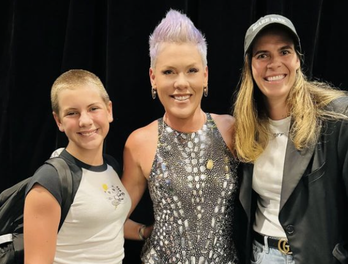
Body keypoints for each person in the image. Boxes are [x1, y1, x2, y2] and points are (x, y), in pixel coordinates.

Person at [232, 14, 348, 264]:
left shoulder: (341, 116)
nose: (274, 63)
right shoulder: (246, 127)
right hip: (260, 255)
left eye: (284, 51)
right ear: (249, 66)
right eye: (262, 55)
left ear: (298, 60)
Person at [121, 9, 239, 264]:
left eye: (192, 71)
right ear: (153, 78)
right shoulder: (140, 142)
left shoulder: (232, 130)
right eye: (169, 72)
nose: (181, 83)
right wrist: (143, 232)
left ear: (205, 75)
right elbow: (111, 218)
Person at [23, 69, 133, 264]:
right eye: (72, 113)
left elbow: (104, 223)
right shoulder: (51, 181)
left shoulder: (111, 167)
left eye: (93, 108)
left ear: (109, 111)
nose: (85, 121)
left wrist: (143, 231)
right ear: (59, 121)